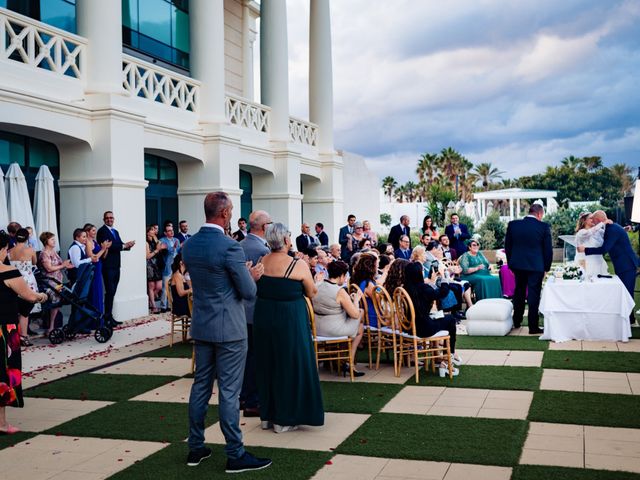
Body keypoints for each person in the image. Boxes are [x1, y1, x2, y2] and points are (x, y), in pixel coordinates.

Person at [182, 192, 271, 473]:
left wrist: (239, 275)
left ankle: (196, 448)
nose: (232, 215)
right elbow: (247, 291)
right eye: (231, 211)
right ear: (224, 213)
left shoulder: (190, 245)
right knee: (230, 393)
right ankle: (235, 453)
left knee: (200, 387)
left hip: (202, 325)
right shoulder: (230, 246)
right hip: (230, 329)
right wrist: (251, 275)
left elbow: (211, 282)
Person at [254, 223, 324, 433]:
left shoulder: (261, 261)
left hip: (264, 316)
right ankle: (285, 418)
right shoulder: (298, 265)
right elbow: (312, 293)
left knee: (269, 363)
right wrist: (316, 280)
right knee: (292, 363)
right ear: (286, 240)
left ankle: (268, 416)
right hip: (290, 318)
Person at [0, 230, 48, 435]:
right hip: (4, 330)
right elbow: (28, 296)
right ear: (3, 249)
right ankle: (1, 423)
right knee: (3, 374)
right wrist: (42, 296)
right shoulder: (8, 272)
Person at [578, 210, 640, 324]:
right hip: (623, 264)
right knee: (625, 292)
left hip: (627, 264)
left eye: (594, 220)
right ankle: (629, 318)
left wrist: (585, 250)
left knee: (627, 292)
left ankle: (630, 320)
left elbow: (604, 249)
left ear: (598, 220)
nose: (593, 223)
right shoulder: (611, 228)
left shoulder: (612, 229)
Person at [239, 210, 272, 418]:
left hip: (242, 309)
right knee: (254, 357)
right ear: (265, 226)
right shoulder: (260, 249)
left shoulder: (241, 245)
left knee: (248, 356)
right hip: (254, 308)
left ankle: (245, 396)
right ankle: (251, 400)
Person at [403, 262, 460, 376]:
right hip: (423, 329)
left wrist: (432, 282)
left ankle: (445, 358)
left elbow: (429, 293)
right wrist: (444, 277)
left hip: (409, 327)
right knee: (450, 320)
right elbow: (442, 293)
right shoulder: (423, 288)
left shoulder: (405, 288)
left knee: (441, 318)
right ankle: (448, 357)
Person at [505, 204, 552, 334]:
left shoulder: (513, 224)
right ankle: (533, 326)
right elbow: (548, 250)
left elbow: (508, 247)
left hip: (518, 265)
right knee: (533, 295)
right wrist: (546, 268)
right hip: (536, 266)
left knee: (519, 293)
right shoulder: (543, 227)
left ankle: (517, 321)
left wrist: (511, 265)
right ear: (539, 214)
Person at [312, 260, 365, 377]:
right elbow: (355, 314)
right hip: (333, 330)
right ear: (341, 275)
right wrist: (356, 300)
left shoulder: (317, 285)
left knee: (355, 323)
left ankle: (338, 361)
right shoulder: (339, 291)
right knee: (360, 326)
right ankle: (349, 362)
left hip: (317, 329)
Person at [97, 211, 136, 327]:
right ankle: (106, 317)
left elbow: (119, 244)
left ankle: (109, 316)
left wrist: (127, 245)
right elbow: (109, 246)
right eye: (107, 218)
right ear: (104, 219)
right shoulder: (102, 231)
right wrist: (122, 246)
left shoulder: (115, 231)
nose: (110, 220)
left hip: (116, 265)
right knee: (109, 291)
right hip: (108, 266)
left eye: (111, 218)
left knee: (112, 292)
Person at [8, 228, 40, 345]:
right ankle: (24, 336)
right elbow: (35, 262)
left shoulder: (9, 251)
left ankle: (15, 336)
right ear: (27, 238)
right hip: (27, 282)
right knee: (25, 311)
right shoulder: (30, 250)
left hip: (14, 281)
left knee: (16, 310)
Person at [39, 232, 73, 334]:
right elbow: (49, 269)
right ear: (46, 241)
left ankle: (52, 325)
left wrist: (69, 265)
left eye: (54, 239)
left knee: (64, 297)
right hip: (49, 282)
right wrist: (63, 265)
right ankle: (51, 326)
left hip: (57, 281)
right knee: (56, 298)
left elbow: (60, 265)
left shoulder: (54, 251)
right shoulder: (44, 253)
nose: (54, 241)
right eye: (52, 239)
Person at [84, 223, 110, 316]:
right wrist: (103, 249)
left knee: (99, 292)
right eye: (93, 230)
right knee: (94, 292)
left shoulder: (95, 242)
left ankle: (99, 318)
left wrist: (106, 248)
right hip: (93, 269)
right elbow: (93, 258)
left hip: (99, 268)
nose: (95, 232)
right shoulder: (88, 242)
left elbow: (103, 256)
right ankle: (93, 319)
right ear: (87, 232)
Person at [574, 212, 609, 277]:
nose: (593, 219)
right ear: (584, 221)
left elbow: (610, 234)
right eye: (591, 218)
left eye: (594, 218)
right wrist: (603, 223)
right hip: (587, 263)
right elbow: (589, 232)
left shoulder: (599, 231)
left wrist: (623, 229)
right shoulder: (582, 232)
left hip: (599, 261)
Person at [159, 224, 180, 312]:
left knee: (173, 286)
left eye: (172, 230)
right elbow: (166, 251)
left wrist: (176, 248)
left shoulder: (176, 240)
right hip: (167, 267)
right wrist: (173, 247)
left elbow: (178, 252)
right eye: (169, 230)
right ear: (165, 232)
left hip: (175, 266)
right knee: (165, 287)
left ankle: (170, 305)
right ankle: (163, 306)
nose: (172, 232)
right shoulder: (162, 240)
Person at [145, 225, 166, 313]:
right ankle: (154, 306)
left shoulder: (155, 239)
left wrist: (161, 247)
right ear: (147, 232)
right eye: (152, 230)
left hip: (157, 265)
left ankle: (149, 301)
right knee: (151, 286)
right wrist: (157, 250)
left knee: (159, 287)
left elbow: (160, 247)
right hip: (150, 265)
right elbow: (147, 256)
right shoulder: (145, 242)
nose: (154, 231)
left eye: (154, 230)